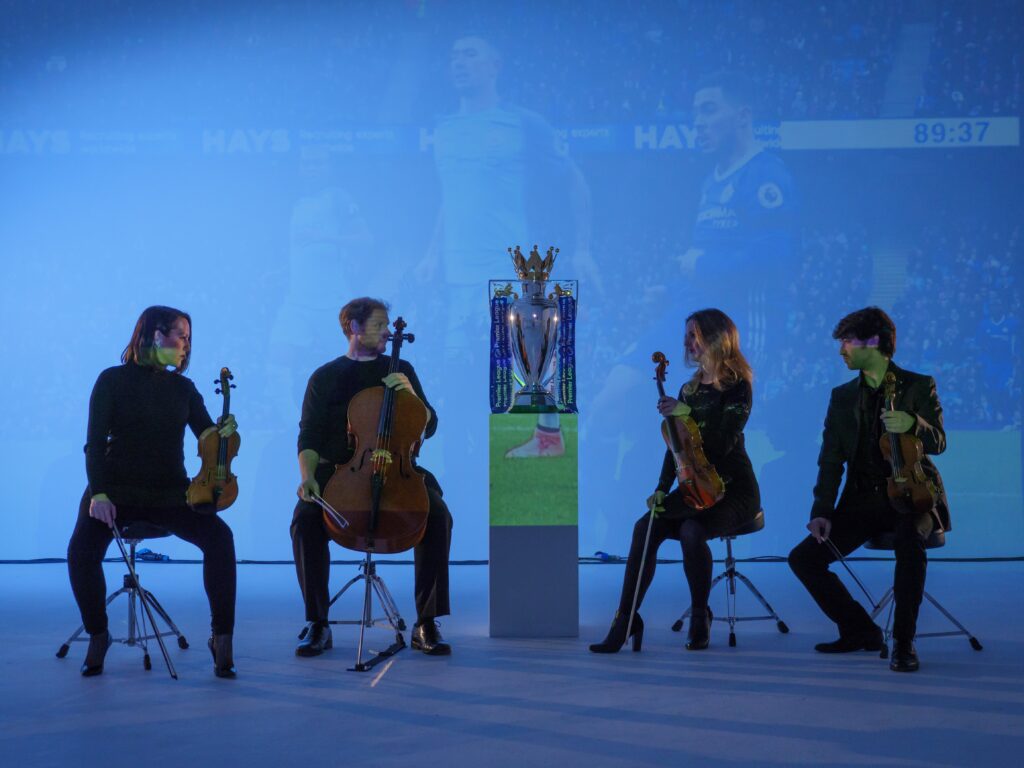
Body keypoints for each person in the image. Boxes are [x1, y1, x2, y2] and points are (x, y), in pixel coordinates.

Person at [67, 306, 239, 678]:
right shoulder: (111, 381)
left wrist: (223, 434)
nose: (186, 346)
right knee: (81, 551)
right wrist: (98, 494)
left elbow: (208, 439)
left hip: (170, 493)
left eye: (188, 339)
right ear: (156, 335)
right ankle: (99, 634)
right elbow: (94, 445)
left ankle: (221, 638)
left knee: (220, 539)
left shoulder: (184, 388)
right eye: (182, 336)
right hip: (113, 492)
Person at [788, 307, 950, 672]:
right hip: (862, 499)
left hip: (914, 496)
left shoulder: (918, 385)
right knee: (804, 558)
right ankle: (861, 630)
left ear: (873, 342)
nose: (841, 350)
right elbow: (830, 460)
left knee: (910, 540)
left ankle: (904, 643)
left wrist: (914, 423)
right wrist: (821, 512)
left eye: (847, 341)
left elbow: (939, 442)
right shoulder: (842, 396)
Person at [590, 309, 760, 653]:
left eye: (693, 335)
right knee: (646, 526)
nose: (687, 343)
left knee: (691, 531)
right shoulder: (689, 389)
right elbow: (677, 448)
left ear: (717, 338)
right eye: (686, 336)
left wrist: (688, 414)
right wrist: (660, 489)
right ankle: (626, 619)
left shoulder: (738, 388)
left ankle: (701, 616)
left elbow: (722, 443)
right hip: (693, 487)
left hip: (732, 489)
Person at [291, 297, 453, 657]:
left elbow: (430, 426)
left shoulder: (402, 368)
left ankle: (426, 622)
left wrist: (410, 396)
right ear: (354, 327)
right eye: (379, 325)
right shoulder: (324, 376)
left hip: (397, 469)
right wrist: (308, 477)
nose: (386, 331)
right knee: (305, 519)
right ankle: (318, 622)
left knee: (438, 515)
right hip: (338, 474)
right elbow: (309, 436)